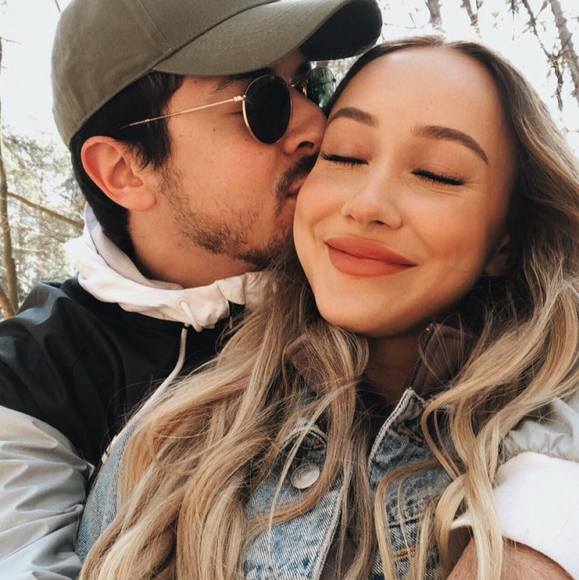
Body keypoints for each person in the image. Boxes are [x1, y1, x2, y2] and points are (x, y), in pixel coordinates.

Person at [78, 36, 579, 579]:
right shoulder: (165, 447)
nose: (367, 205)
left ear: (505, 240)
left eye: (437, 174)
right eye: (343, 156)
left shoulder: (546, 451)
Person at [0, 0, 382, 577]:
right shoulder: (34, 374)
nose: (314, 125)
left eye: (309, 85)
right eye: (264, 102)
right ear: (124, 171)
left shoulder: (367, 279)